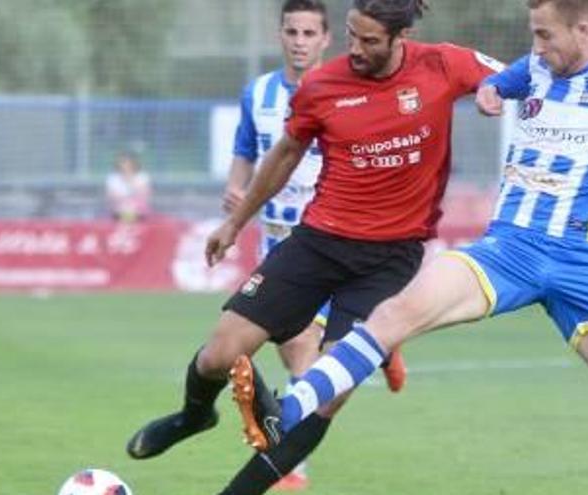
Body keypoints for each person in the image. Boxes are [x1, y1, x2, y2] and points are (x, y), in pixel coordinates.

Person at [255, 1, 588, 494]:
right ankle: (288, 406)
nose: (534, 47)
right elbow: (510, 77)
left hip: (581, 264)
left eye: (543, 35)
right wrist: (494, 90)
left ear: (583, 29)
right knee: (396, 311)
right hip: (507, 249)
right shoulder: (536, 66)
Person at [129, 1, 501, 494]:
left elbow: (516, 73)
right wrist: (235, 222)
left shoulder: (443, 63)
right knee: (221, 351)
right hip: (318, 243)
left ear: (400, 36)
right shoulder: (322, 86)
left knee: (326, 392)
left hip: (391, 259)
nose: (357, 49)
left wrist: (494, 91)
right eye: (352, 35)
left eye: (370, 41)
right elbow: (284, 154)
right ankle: (193, 416)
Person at [218, 1, 407, 489]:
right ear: (280, 35)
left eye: (309, 33)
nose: (300, 40)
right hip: (280, 246)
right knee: (297, 352)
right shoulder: (256, 94)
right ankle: (384, 342)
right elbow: (246, 151)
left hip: (332, 244)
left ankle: (290, 470)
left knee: (306, 356)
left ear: (326, 40)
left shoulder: (350, 95)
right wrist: (236, 187)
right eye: (292, 31)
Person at [105, 151, 151, 222]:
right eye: (122, 162)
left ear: (133, 163)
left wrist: (130, 179)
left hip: (138, 210)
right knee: (122, 210)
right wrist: (125, 200)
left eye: (126, 162)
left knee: (135, 210)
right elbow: (112, 196)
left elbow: (144, 194)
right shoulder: (113, 178)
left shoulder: (142, 177)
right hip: (119, 209)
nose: (124, 165)